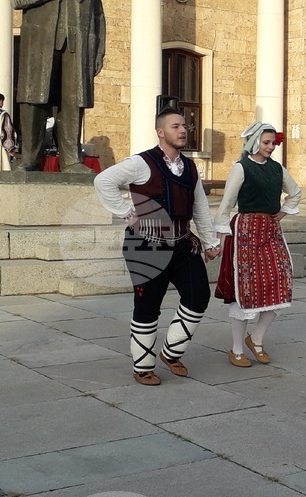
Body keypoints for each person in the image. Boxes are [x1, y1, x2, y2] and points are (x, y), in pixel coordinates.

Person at [94, 109, 221, 386]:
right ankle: (143, 367)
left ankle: (170, 352)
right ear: (161, 132)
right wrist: (127, 213)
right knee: (148, 305)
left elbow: (199, 205)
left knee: (198, 297)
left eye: (185, 126)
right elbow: (102, 181)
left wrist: (210, 242)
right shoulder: (141, 162)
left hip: (183, 243)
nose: (183, 130)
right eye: (176, 126)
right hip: (146, 245)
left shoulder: (189, 167)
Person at [10, 0, 106, 173]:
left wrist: (98, 51)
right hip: (40, 42)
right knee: (34, 98)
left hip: (77, 44)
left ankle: (72, 160)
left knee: (73, 100)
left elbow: (97, 14)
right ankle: (30, 158)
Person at [213, 122, 302, 368]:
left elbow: (295, 192)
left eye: (273, 143)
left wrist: (282, 213)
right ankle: (237, 348)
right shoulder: (241, 168)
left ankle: (257, 338)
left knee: (281, 282)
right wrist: (218, 239)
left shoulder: (277, 169)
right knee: (246, 291)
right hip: (245, 232)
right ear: (254, 142)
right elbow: (226, 204)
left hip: (271, 230)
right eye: (266, 142)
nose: (271, 147)